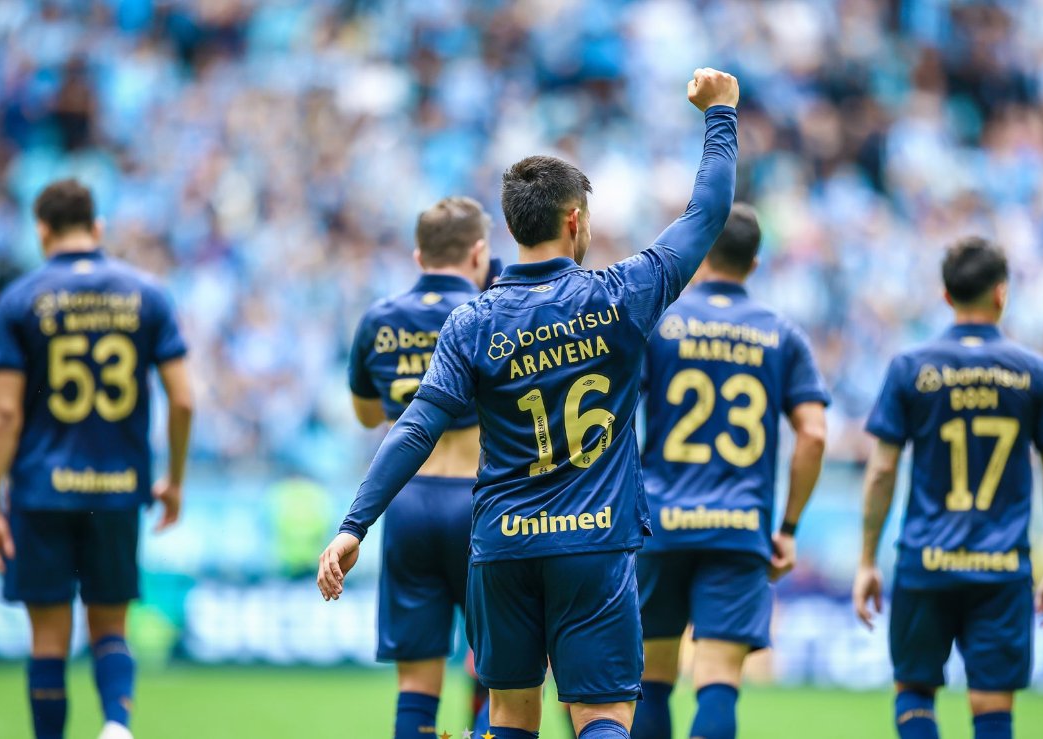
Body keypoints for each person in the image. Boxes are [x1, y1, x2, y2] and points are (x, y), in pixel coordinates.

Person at [317, 67, 740, 739]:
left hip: (502, 546)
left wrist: (354, 525)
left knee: (510, 717)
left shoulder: (473, 321)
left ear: (512, 226)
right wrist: (720, 115)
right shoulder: (622, 294)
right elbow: (707, 214)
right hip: (594, 543)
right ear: (574, 220)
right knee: (603, 715)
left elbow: (417, 426)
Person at [0, 179, 193, 739]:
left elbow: (3, 413)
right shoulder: (148, 294)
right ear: (97, 228)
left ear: (42, 231)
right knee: (110, 627)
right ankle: (116, 726)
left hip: (40, 491)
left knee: (48, 640)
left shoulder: (19, 300)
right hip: (118, 488)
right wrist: (174, 479)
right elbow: (184, 399)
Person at [852, 237, 1043, 739]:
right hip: (1001, 568)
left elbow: (883, 471)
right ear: (1001, 293)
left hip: (925, 562)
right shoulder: (1035, 373)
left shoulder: (910, 368)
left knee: (914, 691)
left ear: (946, 295)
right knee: (992, 707)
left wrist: (867, 560)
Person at [630, 203, 829, 739]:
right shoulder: (782, 334)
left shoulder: (661, 323)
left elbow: (616, 412)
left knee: (651, 678)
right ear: (755, 263)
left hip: (662, 523)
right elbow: (814, 434)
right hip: (739, 528)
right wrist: (788, 527)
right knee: (718, 678)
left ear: (701, 255)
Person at [346, 196, 493, 738]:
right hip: (478, 500)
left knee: (415, 685)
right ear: (478, 253)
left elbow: (367, 415)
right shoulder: (489, 313)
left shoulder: (378, 319)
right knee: (506, 674)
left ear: (418, 255)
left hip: (406, 502)